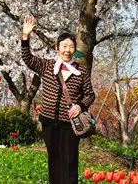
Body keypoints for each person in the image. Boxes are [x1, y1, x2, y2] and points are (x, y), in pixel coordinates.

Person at [21, 15, 96, 184]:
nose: (67, 50)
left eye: (71, 46)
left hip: (70, 124)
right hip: (48, 122)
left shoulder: (81, 71)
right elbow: (27, 59)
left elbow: (90, 94)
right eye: (64, 46)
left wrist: (79, 105)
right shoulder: (47, 66)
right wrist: (25, 37)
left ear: (75, 49)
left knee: (69, 162)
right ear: (57, 48)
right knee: (54, 161)